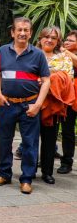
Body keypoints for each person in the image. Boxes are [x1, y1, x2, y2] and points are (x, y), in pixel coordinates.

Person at [0, 17, 50, 195]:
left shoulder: (38, 54)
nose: (22, 33)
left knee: (30, 143)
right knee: (4, 141)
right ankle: (4, 174)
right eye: (19, 30)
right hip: (7, 104)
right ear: (12, 32)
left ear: (31, 33)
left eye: (26, 30)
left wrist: (38, 105)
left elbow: (46, 80)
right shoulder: (3, 50)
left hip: (29, 106)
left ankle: (26, 179)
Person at [35, 26, 74, 185]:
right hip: (32, 101)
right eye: (47, 37)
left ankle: (47, 172)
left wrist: (46, 80)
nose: (49, 40)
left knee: (50, 140)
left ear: (58, 41)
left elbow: (68, 78)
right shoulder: (32, 53)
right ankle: (29, 170)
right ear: (40, 38)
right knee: (30, 140)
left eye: (54, 38)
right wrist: (51, 77)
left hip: (53, 105)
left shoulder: (64, 57)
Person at [59, 30, 77, 174]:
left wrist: (65, 50)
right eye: (66, 40)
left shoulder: (66, 54)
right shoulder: (61, 56)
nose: (66, 42)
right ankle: (66, 161)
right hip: (68, 98)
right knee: (67, 130)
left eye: (71, 40)